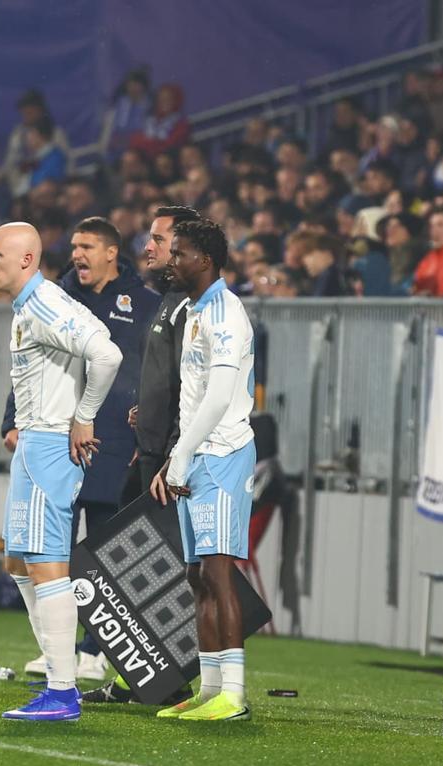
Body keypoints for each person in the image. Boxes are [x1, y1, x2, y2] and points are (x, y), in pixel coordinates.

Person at [0, 222, 123, 722]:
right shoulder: (31, 306)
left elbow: (108, 352)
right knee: (19, 562)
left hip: (48, 446)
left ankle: (62, 690)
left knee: (45, 564)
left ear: (25, 260)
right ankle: (58, 670)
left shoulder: (44, 304)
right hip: (34, 444)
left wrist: (83, 416)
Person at [82, 206, 201, 705]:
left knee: (178, 571)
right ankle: (140, 677)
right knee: (129, 565)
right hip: (150, 452)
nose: (147, 247)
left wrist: (173, 447)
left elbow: (200, 386)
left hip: (176, 459)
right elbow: (164, 382)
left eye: (158, 239)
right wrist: (145, 418)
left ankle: (198, 684)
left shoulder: (194, 306)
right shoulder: (170, 301)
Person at [151, 219, 256, 722]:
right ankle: (210, 687)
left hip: (223, 453)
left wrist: (183, 453)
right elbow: (193, 397)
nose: (171, 261)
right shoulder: (194, 310)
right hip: (198, 453)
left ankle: (232, 694)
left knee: (218, 572)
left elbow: (218, 396)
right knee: (197, 575)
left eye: (179, 253)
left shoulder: (225, 313)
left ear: (206, 261)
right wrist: (179, 449)